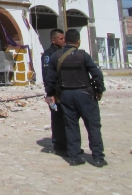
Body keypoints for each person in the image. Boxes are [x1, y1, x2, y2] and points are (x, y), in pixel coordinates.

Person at [45, 29, 107, 167]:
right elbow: (97, 74)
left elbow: (50, 79)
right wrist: (99, 90)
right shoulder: (83, 55)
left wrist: (51, 94)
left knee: (71, 126)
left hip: (66, 95)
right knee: (93, 126)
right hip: (85, 94)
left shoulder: (56, 56)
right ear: (78, 41)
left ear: (65, 40)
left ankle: (75, 156)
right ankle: (98, 157)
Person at [41, 29, 67, 155]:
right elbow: (47, 75)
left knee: (68, 118)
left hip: (65, 91)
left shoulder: (64, 52)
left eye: (64, 38)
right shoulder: (49, 54)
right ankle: (59, 145)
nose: (64, 40)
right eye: (61, 38)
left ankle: (68, 144)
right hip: (55, 92)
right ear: (54, 40)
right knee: (57, 119)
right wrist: (50, 93)